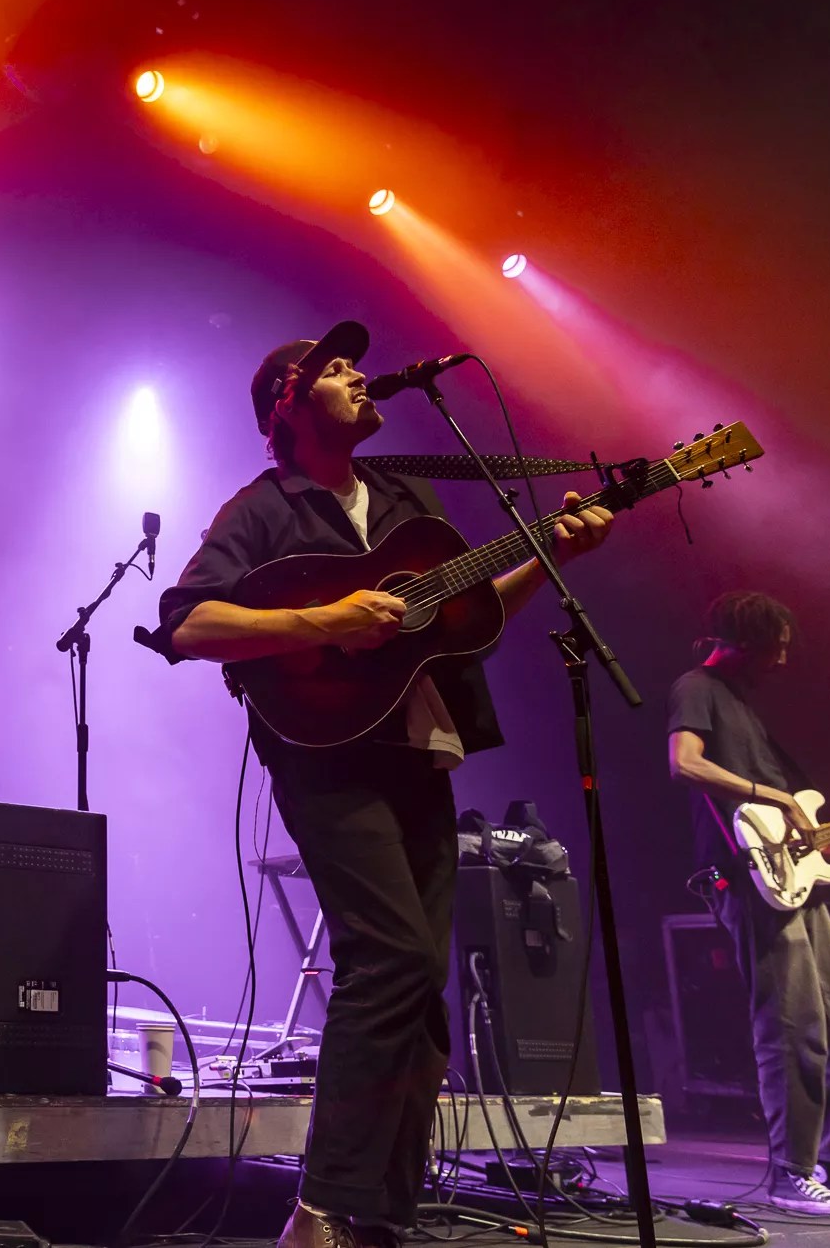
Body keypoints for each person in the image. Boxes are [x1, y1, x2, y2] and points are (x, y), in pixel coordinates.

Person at [152, 322, 613, 1248]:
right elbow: (188, 625)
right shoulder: (262, 508)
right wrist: (326, 619)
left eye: (356, 365)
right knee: (392, 959)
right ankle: (318, 1207)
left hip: (416, 746)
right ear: (286, 404)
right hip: (325, 755)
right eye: (334, 369)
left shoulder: (405, 497)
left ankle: (381, 1219)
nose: (360, 376)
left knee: (421, 985)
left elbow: (466, 617)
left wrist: (551, 556)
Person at [668, 590, 830, 1217]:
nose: (782, 661)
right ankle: (791, 1174)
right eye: (773, 649)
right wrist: (772, 795)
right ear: (739, 643)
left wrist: (819, 845)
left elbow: (784, 819)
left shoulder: (745, 706)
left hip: (791, 878)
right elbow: (684, 764)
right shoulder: (696, 687)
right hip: (743, 878)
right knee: (793, 1026)